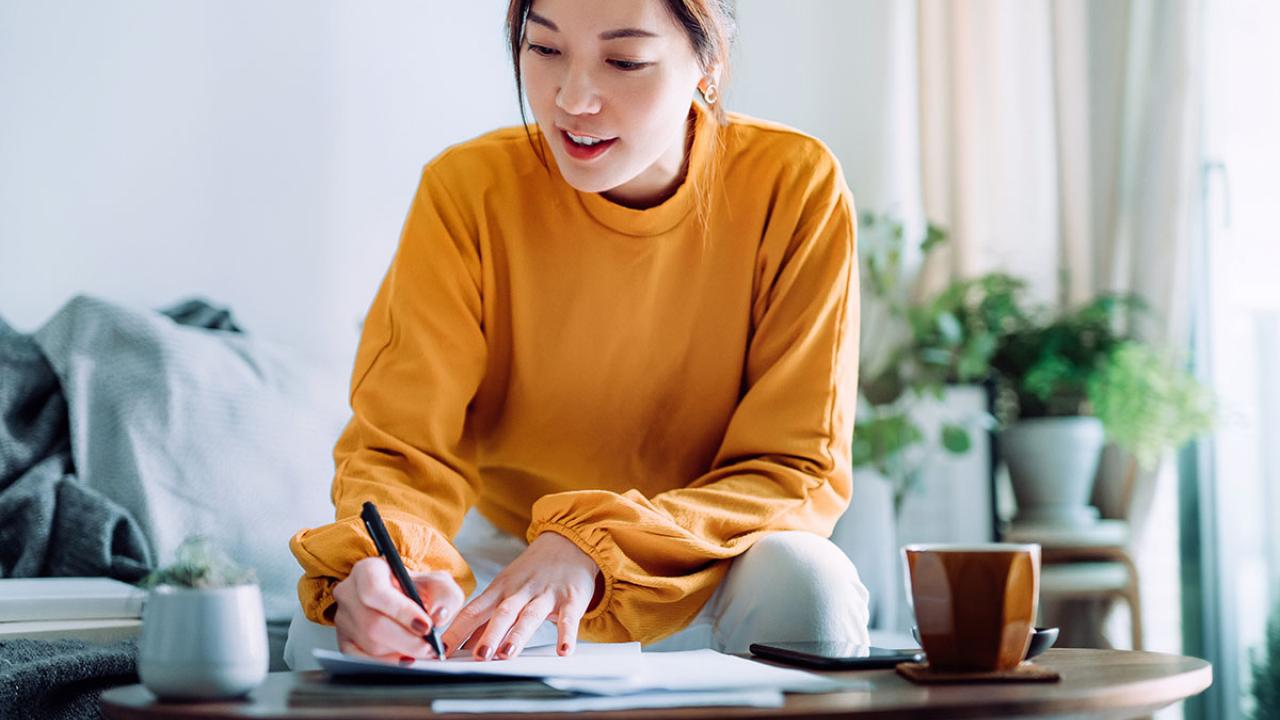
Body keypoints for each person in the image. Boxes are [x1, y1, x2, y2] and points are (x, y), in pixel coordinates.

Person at [283, 0, 869, 670]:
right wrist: (397, 568)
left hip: (703, 559)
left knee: (809, 584)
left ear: (709, 64)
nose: (573, 98)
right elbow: (400, 449)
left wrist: (596, 544)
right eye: (544, 49)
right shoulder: (467, 191)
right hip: (508, 556)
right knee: (332, 630)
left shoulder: (795, 186)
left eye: (625, 61)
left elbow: (795, 469)